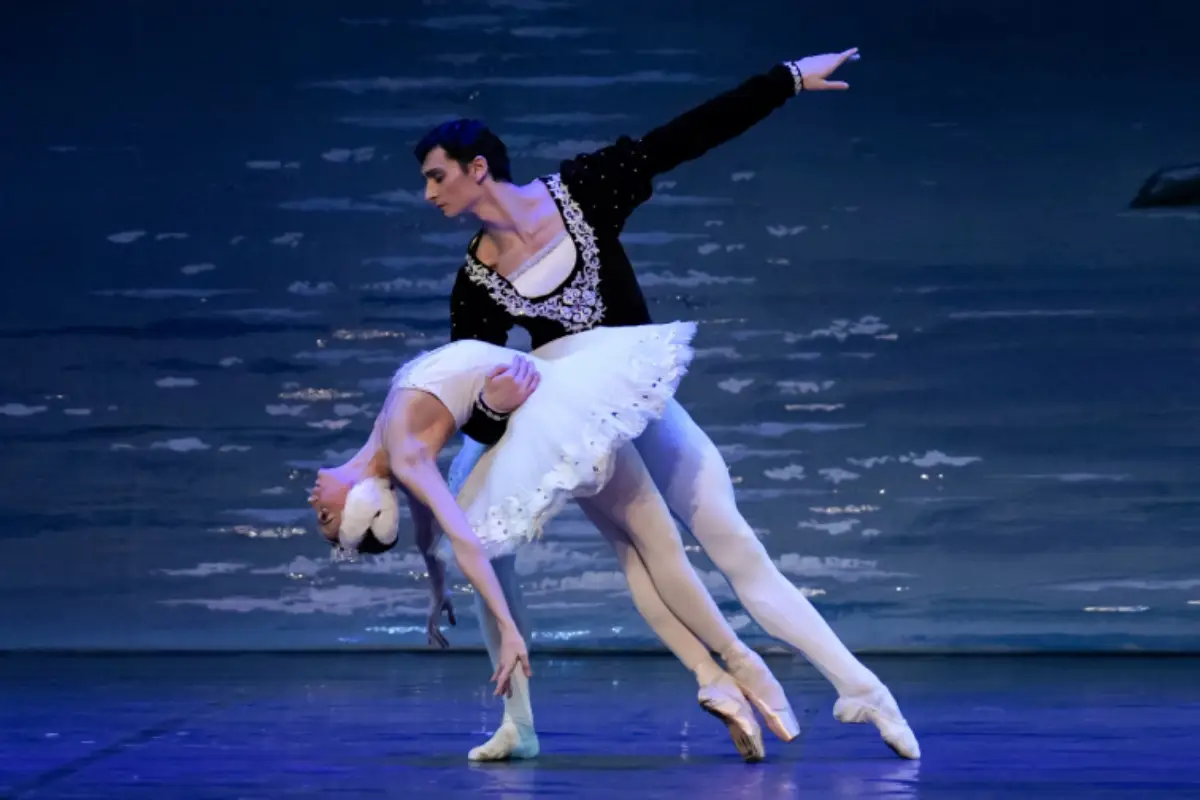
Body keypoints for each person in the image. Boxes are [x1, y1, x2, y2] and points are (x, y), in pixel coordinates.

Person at [414, 47, 921, 760]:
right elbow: (472, 391)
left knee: (734, 543)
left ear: (477, 167)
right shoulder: (475, 283)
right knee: (631, 556)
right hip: (585, 427)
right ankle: (533, 719)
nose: (429, 193)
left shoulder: (584, 190)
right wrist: (494, 409)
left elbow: (684, 136)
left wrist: (788, 80)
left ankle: (859, 687)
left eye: (437, 176)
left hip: (641, 402)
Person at [307, 321, 789, 761]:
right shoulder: (404, 452)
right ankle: (723, 673)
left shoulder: (391, 449)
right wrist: (502, 625)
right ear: (363, 504)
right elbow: (456, 538)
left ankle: (729, 671)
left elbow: (426, 523)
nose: (314, 501)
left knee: (646, 548)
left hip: (545, 404)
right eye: (326, 516)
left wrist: (437, 589)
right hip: (540, 416)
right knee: (644, 547)